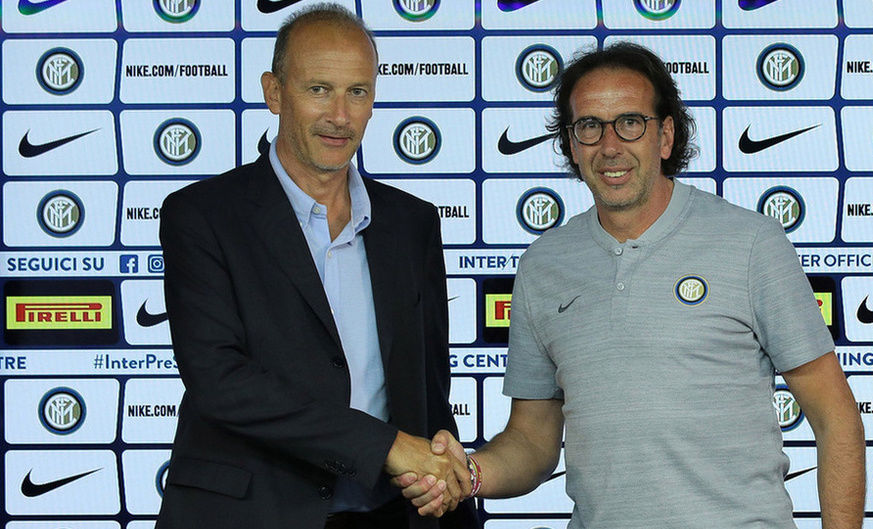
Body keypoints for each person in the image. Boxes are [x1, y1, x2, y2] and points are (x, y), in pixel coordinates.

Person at [399, 42, 865, 528]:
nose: (610, 146)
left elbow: (835, 417)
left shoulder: (751, 243)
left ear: (665, 136)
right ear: (571, 144)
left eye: (630, 122)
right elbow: (532, 439)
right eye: (589, 126)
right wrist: (468, 473)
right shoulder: (544, 264)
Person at [155, 4, 478, 529]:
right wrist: (385, 446)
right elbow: (220, 381)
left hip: (391, 516)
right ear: (274, 92)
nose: (340, 116)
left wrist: (449, 500)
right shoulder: (202, 216)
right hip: (249, 517)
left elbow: (428, 391)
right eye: (319, 89)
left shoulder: (412, 222)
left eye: (358, 92)